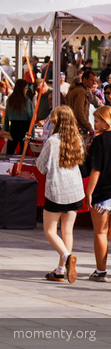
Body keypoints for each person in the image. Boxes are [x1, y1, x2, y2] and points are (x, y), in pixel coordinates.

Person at [37, 105, 85, 283]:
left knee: (49, 230)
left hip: (57, 190)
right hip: (74, 189)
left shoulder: (53, 141)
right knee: (68, 231)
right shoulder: (78, 140)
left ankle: (66, 257)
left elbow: (41, 167)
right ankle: (59, 270)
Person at [86, 106, 111, 281]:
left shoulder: (100, 141)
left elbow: (96, 170)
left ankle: (101, 271)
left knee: (101, 232)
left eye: (97, 120)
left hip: (103, 192)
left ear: (105, 121)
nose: (95, 124)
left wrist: (89, 192)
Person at [5, 79, 35, 154]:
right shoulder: (27, 102)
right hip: (25, 127)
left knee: (10, 151)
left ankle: (8, 166)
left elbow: (6, 117)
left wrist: (5, 132)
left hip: (13, 127)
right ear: (24, 89)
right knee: (24, 153)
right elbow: (31, 118)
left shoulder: (10, 100)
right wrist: (33, 133)